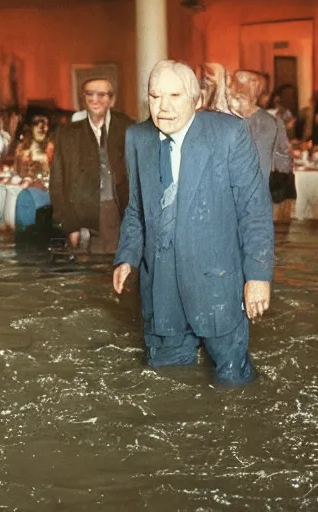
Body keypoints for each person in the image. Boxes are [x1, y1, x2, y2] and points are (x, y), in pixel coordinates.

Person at [112, 60, 274, 386]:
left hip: (216, 284)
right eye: (155, 96)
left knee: (234, 383)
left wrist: (258, 276)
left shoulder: (229, 135)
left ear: (197, 99)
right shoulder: (137, 138)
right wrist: (126, 257)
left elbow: (254, 211)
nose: (164, 107)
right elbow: (136, 208)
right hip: (161, 287)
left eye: (175, 96)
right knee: (170, 390)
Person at [50, 77, 134, 254]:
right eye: (90, 94)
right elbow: (57, 183)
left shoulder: (129, 129)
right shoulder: (67, 134)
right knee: (87, 272)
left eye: (101, 95)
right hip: (83, 218)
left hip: (119, 214)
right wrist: (69, 225)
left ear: (112, 100)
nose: (95, 99)